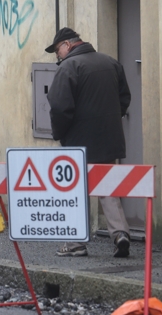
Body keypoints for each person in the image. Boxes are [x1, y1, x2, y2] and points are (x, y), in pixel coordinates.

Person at [45, 27, 132, 258]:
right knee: (108, 187)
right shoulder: (111, 62)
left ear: (67, 45)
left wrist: (60, 133)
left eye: (57, 50)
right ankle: (120, 234)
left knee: (75, 191)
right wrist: (112, 120)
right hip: (109, 138)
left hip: (79, 141)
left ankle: (75, 244)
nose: (58, 56)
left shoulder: (69, 68)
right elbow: (124, 98)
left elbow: (60, 107)